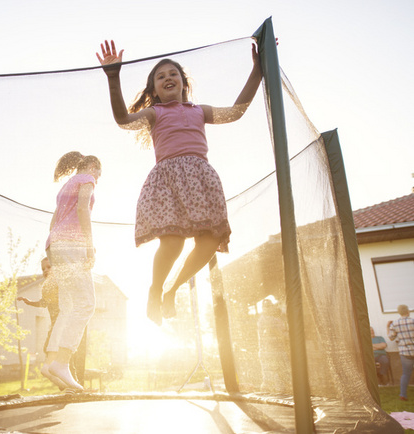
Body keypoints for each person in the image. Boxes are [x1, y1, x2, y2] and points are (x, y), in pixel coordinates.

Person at [97, 40, 262, 325]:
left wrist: (258, 70)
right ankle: (155, 289)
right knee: (172, 244)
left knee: (209, 242)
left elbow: (236, 111)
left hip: (200, 179)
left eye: (173, 74)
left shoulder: (200, 111)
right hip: (167, 181)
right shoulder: (155, 114)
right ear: (154, 91)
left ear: (184, 83)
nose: (168, 78)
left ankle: (172, 290)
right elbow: (124, 119)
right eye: (160, 77)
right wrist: (114, 77)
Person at [44, 151, 101, 391]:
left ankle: (50, 363)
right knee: (86, 303)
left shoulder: (66, 185)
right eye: (99, 172)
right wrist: (89, 245)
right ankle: (62, 362)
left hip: (56, 244)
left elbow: (53, 221)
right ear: (92, 166)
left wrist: (50, 248)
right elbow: (82, 210)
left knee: (68, 307)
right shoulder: (86, 179)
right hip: (72, 244)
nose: (99, 177)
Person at [17, 257, 86, 390]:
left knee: (63, 357)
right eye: (43, 269)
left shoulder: (59, 283)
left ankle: (70, 386)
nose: (46, 271)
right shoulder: (48, 286)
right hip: (56, 327)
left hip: (62, 326)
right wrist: (30, 302)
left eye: (49, 267)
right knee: (54, 359)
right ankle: (69, 386)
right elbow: (44, 302)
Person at [387, 304, 414, 401]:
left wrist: (388, 327)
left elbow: (391, 337)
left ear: (399, 312)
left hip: (404, 352)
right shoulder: (412, 321)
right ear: (408, 311)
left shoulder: (395, 323)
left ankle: (403, 394)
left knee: (406, 374)